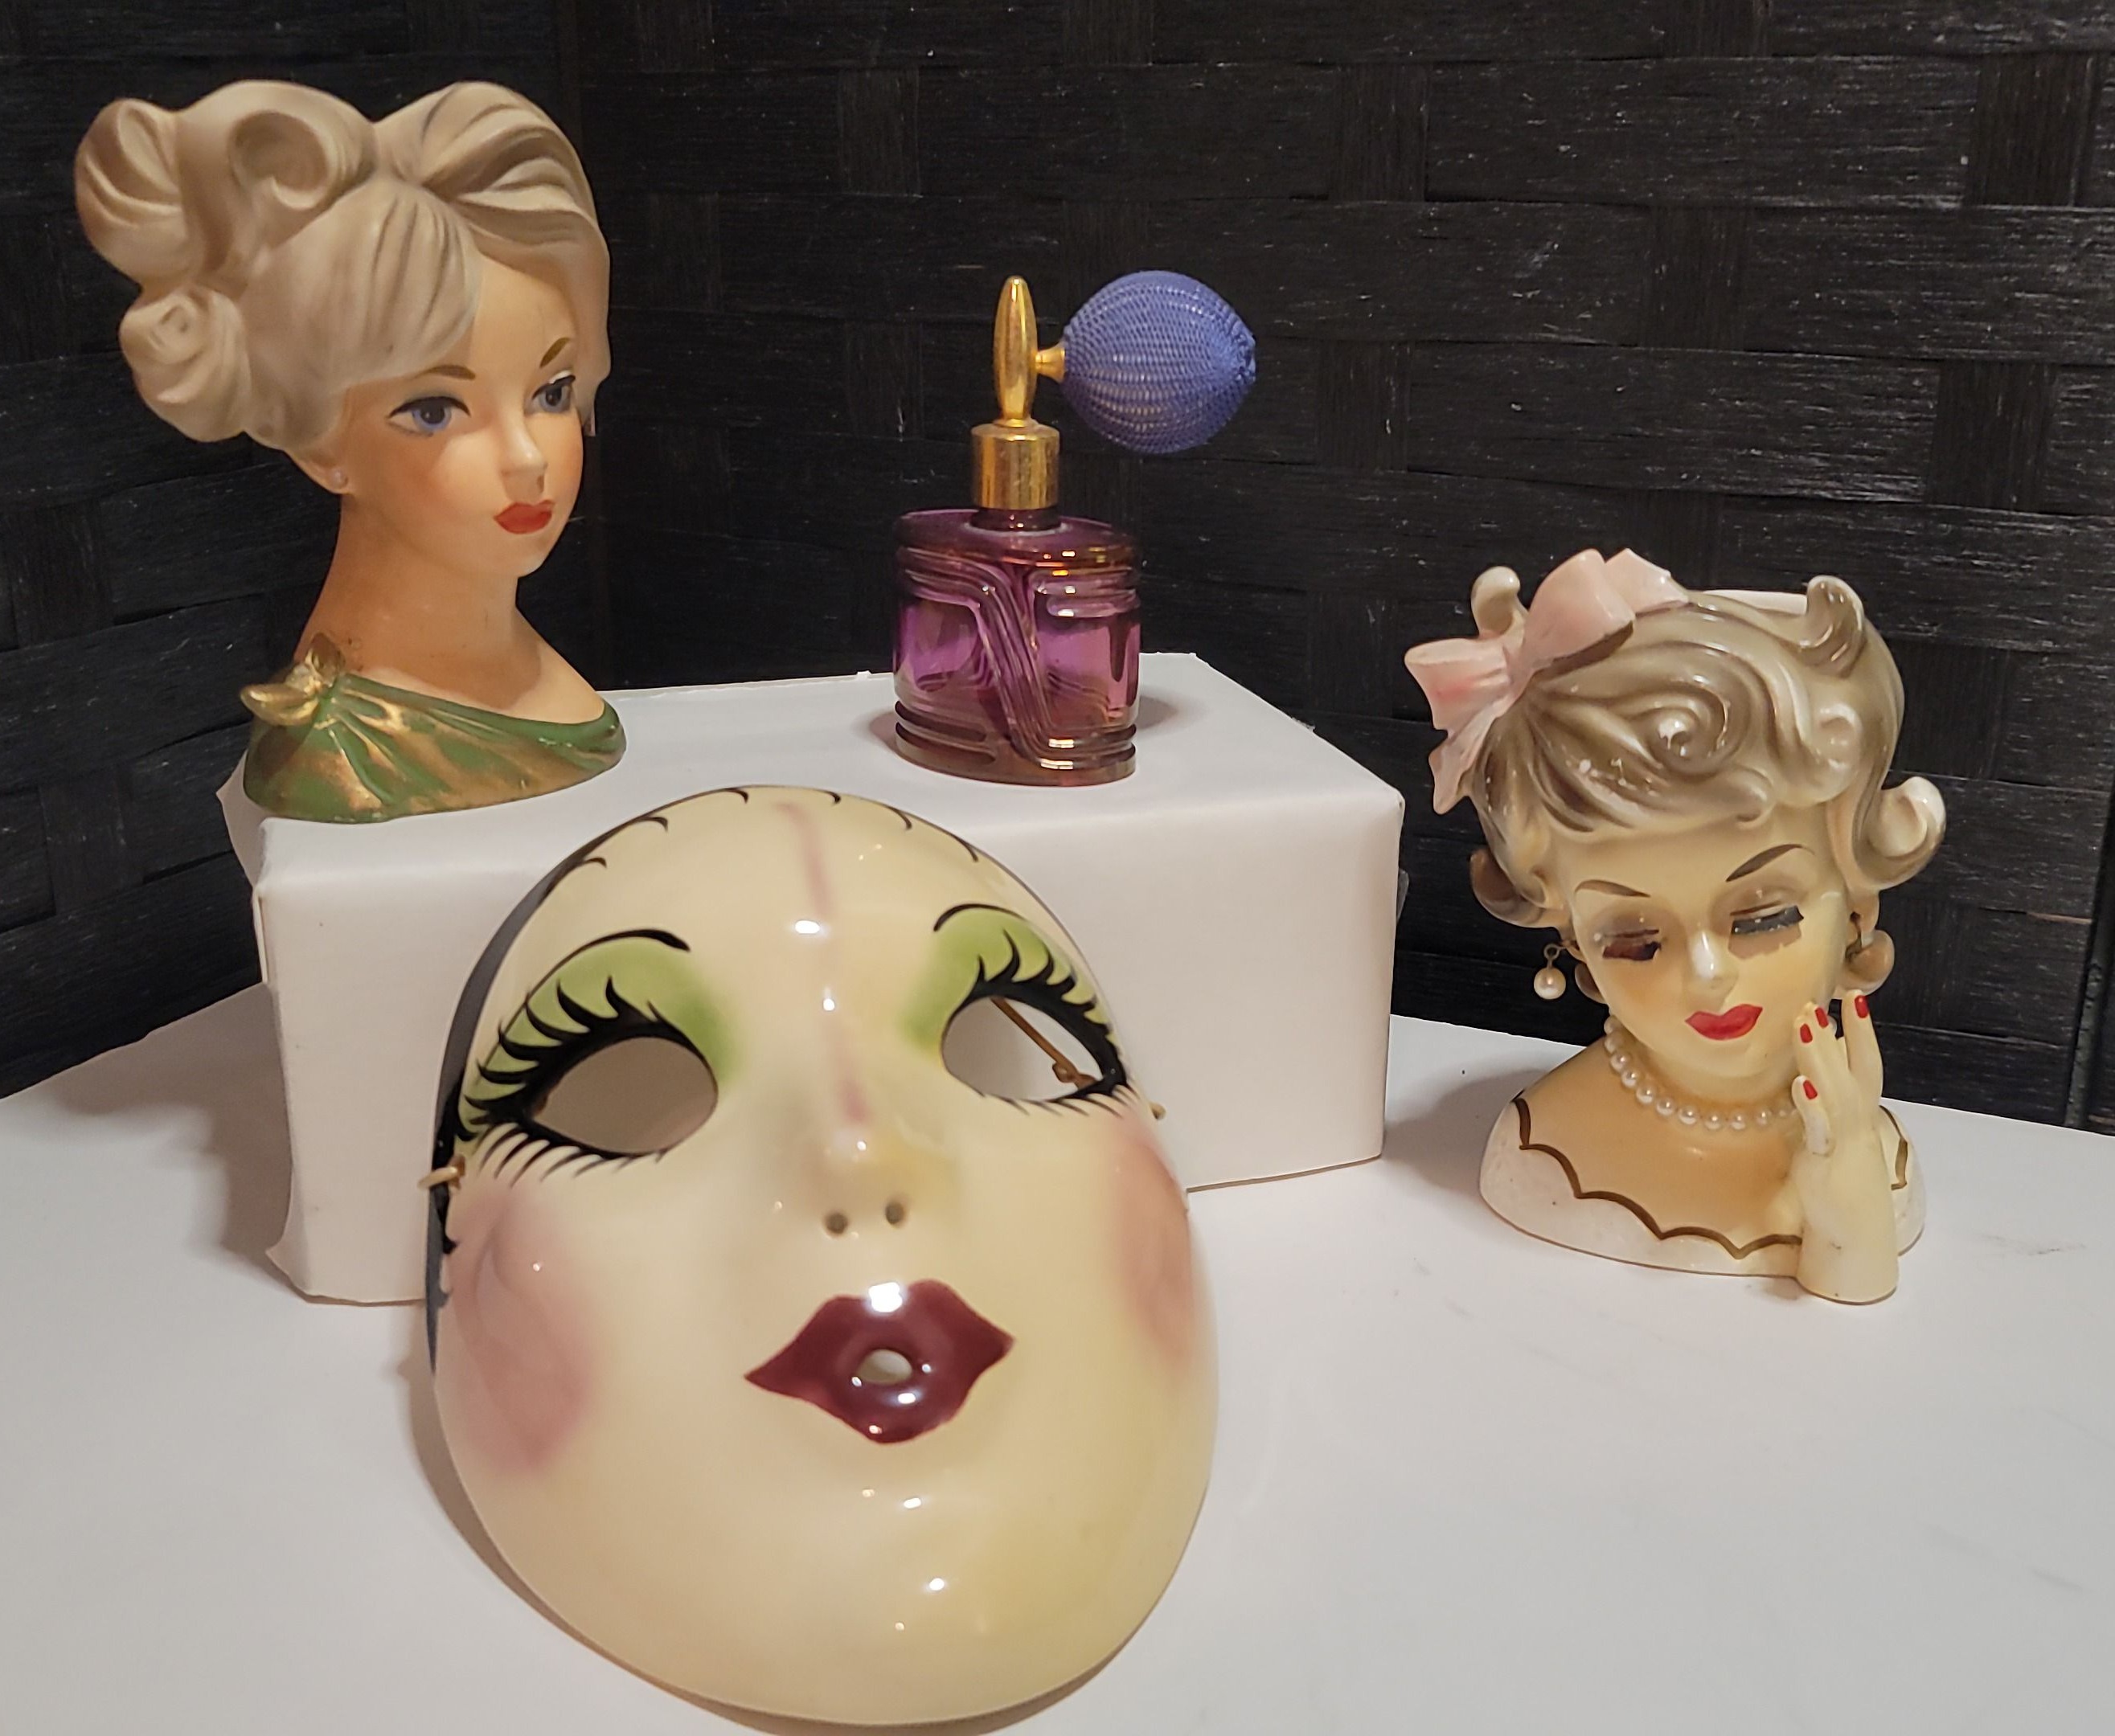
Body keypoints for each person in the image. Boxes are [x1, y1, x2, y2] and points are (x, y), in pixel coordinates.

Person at [1404, 549, 1945, 1302]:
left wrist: (1849, 1226)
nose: (1707, 974)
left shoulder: (1867, 1154)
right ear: (1569, 933)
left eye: (1761, 917)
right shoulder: (1547, 1155)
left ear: (1856, 898)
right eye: (1632, 938)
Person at [76, 80, 621, 822]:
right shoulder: (345, 751)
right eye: (434, 411)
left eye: (551, 393)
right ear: (319, 444)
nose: (526, 457)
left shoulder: (544, 679)